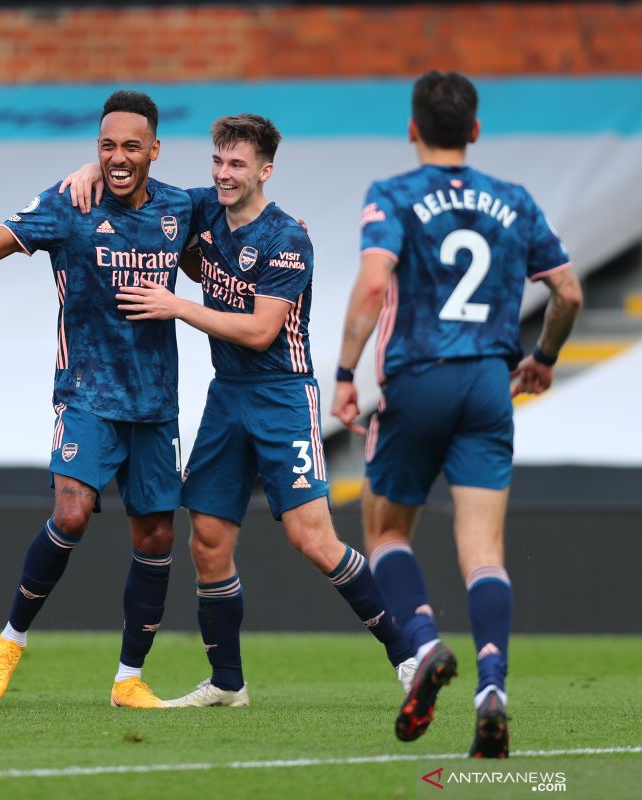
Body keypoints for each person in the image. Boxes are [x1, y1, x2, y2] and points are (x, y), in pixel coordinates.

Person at [68, 113, 416, 708]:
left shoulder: (287, 237)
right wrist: (89, 169)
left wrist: (177, 305)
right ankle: (228, 683)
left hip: (282, 395)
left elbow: (259, 330)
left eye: (237, 165)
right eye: (218, 162)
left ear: (264, 170)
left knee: (313, 539)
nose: (224, 175)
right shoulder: (203, 209)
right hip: (226, 396)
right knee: (206, 538)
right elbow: (137, 181)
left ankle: (409, 656)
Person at [331, 71, 583, 758]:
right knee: (484, 551)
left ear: (413, 128)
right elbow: (567, 292)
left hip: (419, 378)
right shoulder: (514, 199)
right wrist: (544, 356)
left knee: (384, 530)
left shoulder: (393, 194)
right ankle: (491, 688)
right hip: (487, 384)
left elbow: (375, 282)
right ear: (474, 130)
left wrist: (347, 372)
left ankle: (425, 642)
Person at [0, 90, 191, 709]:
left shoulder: (180, 209)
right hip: (86, 394)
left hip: (156, 404)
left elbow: (235, 206)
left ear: (154, 151)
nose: (117, 156)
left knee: (158, 537)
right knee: (72, 513)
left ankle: (129, 678)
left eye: (131, 146)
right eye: (106, 146)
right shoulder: (69, 201)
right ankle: (10, 642)